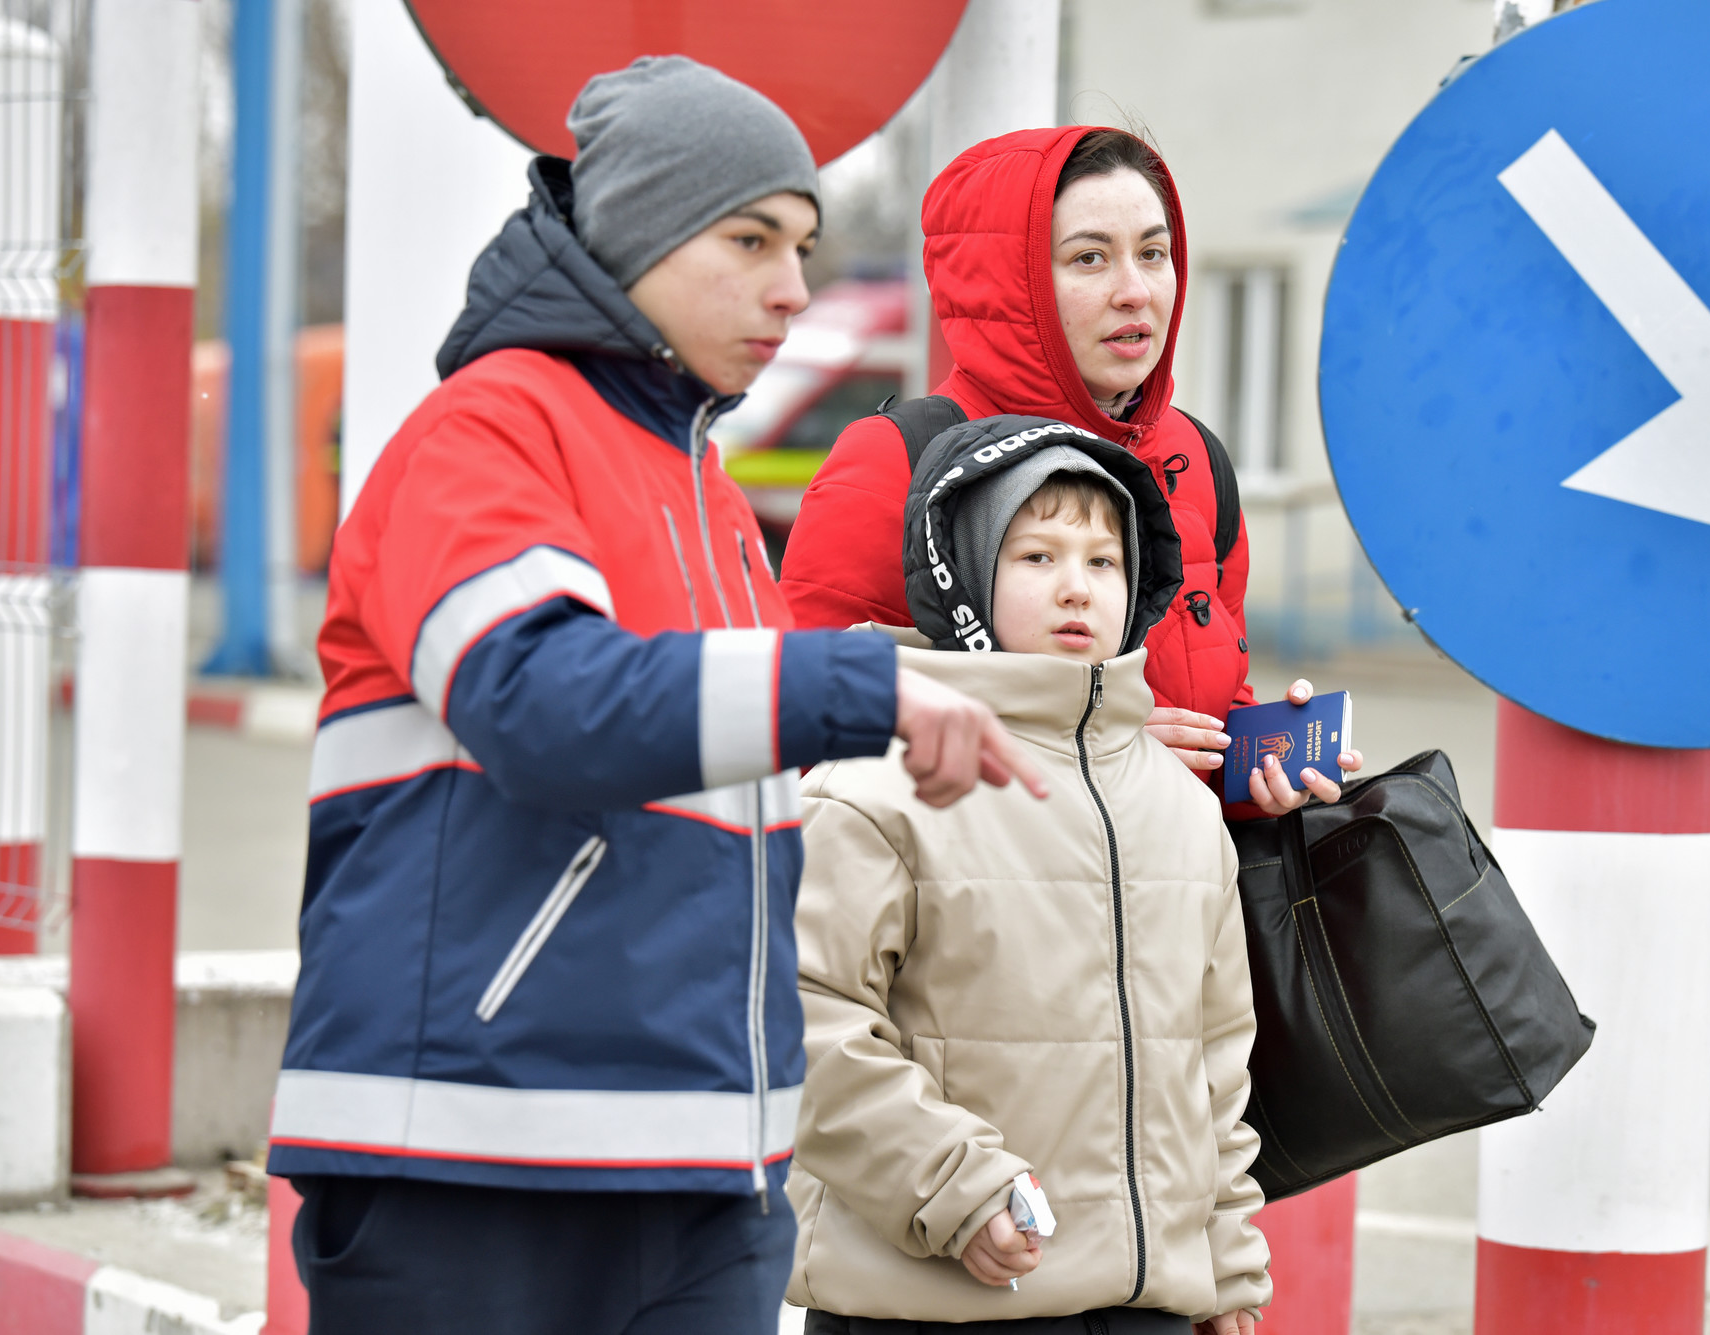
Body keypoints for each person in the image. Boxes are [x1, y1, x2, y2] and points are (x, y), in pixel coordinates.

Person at [266, 57, 1045, 1335]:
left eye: (801, 243)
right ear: (631, 231)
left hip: (704, 1182)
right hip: (466, 1164)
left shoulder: (715, 500)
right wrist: (854, 681)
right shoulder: (486, 430)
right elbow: (537, 701)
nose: (792, 287)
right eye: (748, 238)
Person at [785, 414, 1270, 1335]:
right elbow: (796, 1021)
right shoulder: (878, 782)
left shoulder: (1178, 807)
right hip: (937, 1295)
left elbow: (1214, 1062)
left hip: (1143, 1305)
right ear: (968, 576)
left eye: (1103, 561)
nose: (1076, 588)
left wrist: (1228, 1258)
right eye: (1036, 556)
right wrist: (955, 1188)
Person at [779, 126, 1361, 813]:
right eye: (1090, 258)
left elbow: (1201, 717)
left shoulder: (1197, 461)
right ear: (1010, 285)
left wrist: (1259, 770)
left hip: (1174, 911)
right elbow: (809, 746)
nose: (1136, 290)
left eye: (1154, 252)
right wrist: (1088, 751)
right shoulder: (896, 460)